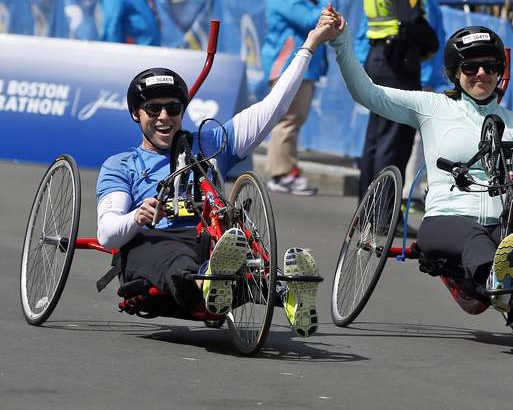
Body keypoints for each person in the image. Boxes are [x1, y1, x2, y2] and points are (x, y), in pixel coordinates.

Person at [322, 6, 513, 316]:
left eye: (490, 67)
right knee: (475, 238)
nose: (481, 74)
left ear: (499, 72)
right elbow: (367, 93)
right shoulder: (432, 106)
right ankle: (499, 279)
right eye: (471, 68)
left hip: (499, 225)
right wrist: (342, 42)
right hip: (447, 220)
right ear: (456, 72)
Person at [94, 17, 340, 338]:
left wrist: (309, 45)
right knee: (178, 260)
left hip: (212, 242)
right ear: (135, 114)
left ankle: (285, 292)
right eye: (153, 110)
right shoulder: (121, 164)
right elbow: (107, 235)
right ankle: (213, 279)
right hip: (156, 242)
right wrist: (138, 216)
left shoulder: (209, 144)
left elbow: (273, 108)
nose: (164, 117)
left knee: (244, 258)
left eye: (173, 108)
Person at [356, 0, 440, 199]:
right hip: (398, 59)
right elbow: (411, 19)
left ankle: (366, 209)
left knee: (376, 138)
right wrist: (432, 45)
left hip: (377, 55)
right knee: (395, 141)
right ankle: (382, 215)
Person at [261, 0, 345, 195]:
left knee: (292, 119)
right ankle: (281, 173)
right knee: (288, 120)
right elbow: (311, 20)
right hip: (289, 65)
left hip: (297, 65)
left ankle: (285, 171)